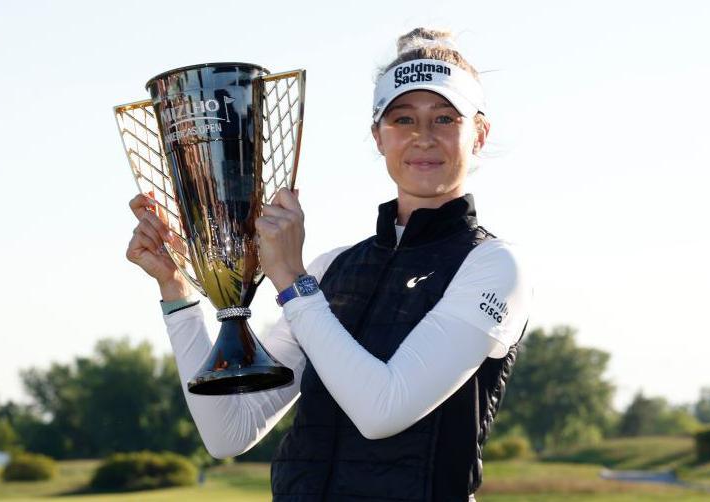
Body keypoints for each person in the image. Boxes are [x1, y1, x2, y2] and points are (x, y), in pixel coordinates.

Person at [126, 27, 531, 502]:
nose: (423, 137)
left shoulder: (494, 266)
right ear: (378, 135)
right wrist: (177, 291)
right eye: (402, 119)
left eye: (445, 118)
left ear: (478, 134)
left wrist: (292, 281)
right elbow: (229, 432)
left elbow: (382, 409)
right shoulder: (332, 269)